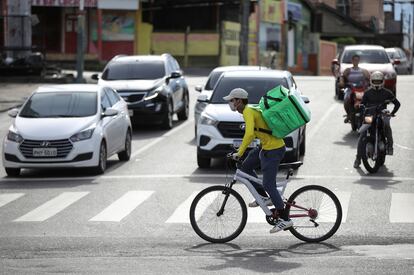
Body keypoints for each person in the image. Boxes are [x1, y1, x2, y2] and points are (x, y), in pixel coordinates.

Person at [223, 88, 292, 233]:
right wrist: (240, 150)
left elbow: (249, 135)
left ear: (239, 101)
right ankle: (263, 196)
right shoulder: (249, 110)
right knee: (245, 167)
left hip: (273, 149)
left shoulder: (248, 111)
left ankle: (285, 219)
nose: (230, 103)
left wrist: (239, 152)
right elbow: (254, 132)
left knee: (268, 184)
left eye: (232, 100)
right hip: (265, 147)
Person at [353, 71, 401, 168]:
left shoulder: (387, 92)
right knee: (362, 135)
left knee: (387, 126)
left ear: (382, 81)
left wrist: (392, 113)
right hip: (370, 116)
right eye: (375, 81)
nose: (377, 83)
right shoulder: (367, 92)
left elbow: (397, 104)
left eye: (379, 81)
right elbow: (362, 104)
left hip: (382, 115)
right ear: (371, 81)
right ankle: (358, 158)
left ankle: (390, 146)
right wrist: (360, 108)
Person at [340, 54, 370, 123]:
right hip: (350, 88)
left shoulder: (363, 70)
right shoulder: (348, 70)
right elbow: (342, 77)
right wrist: (342, 82)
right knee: (346, 99)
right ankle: (348, 115)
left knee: (368, 99)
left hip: (362, 88)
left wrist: (370, 83)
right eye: (354, 60)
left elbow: (369, 78)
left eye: (357, 60)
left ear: (359, 61)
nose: (355, 61)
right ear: (352, 61)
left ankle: (368, 114)